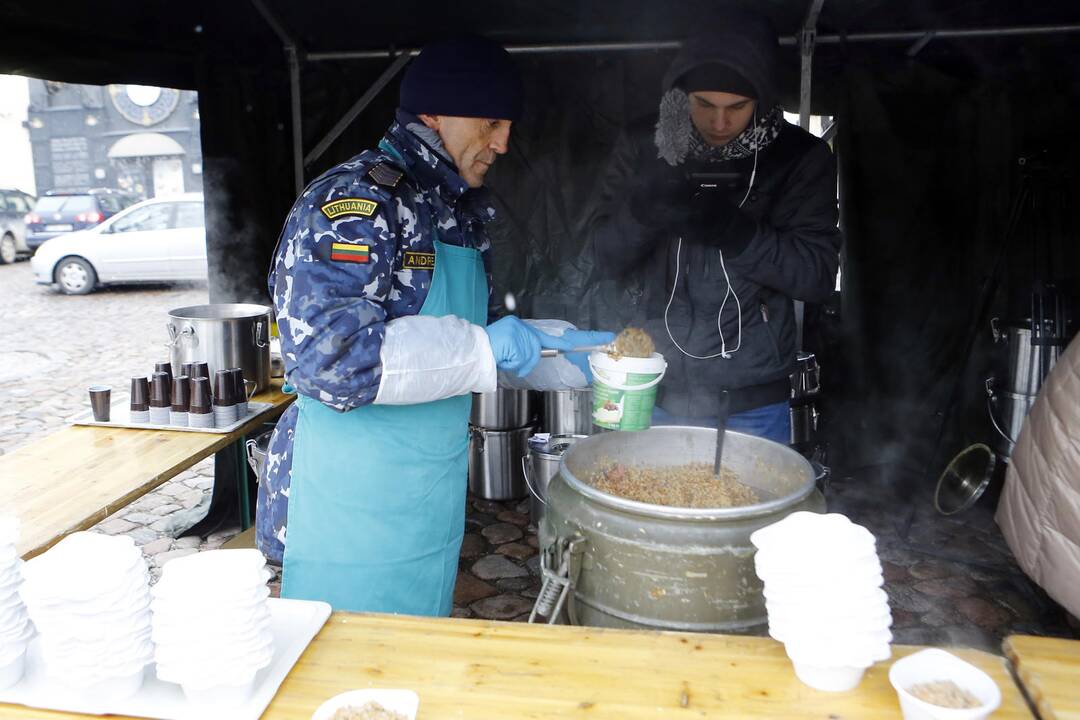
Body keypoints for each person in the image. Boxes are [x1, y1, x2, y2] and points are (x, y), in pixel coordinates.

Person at [256, 35, 611, 615]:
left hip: (423, 501)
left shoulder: (451, 210)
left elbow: (470, 339)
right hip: (347, 510)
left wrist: (559, 354)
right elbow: (332, 360)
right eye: (491, 122)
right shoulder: (356, 202)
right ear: (433, 114)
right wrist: (487, 346)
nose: (503, 142)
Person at [590, 12, 841, 444]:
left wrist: (737, 233)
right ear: (680, 95)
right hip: (652, 385)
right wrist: (644, 211)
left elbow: (818, 275)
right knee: (651, 507)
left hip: (752, 400)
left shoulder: (800, 158)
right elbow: (600, 258)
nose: (720, 123)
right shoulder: (643, 145)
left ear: (760, 100)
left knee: (754, 509)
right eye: (704, 104)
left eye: (736, 108)